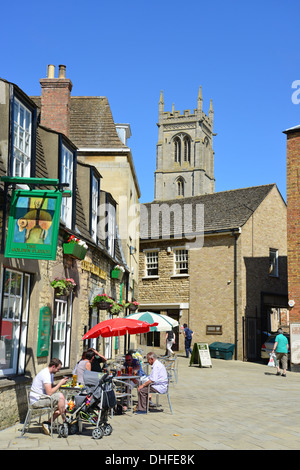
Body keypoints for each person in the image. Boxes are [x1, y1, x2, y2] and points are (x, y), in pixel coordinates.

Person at [29, 358, 68, 435]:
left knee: (65, 403)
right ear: (53, 366)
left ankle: (48, 423)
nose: (58, 371)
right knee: (61, 397)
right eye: (58, 369)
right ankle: (65, 422)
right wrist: (60, 384)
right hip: (37, 400)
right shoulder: (46, 374)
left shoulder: (50, 374)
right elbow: (49, 393)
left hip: (42, 397)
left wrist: (59, 384)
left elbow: (49, 387)